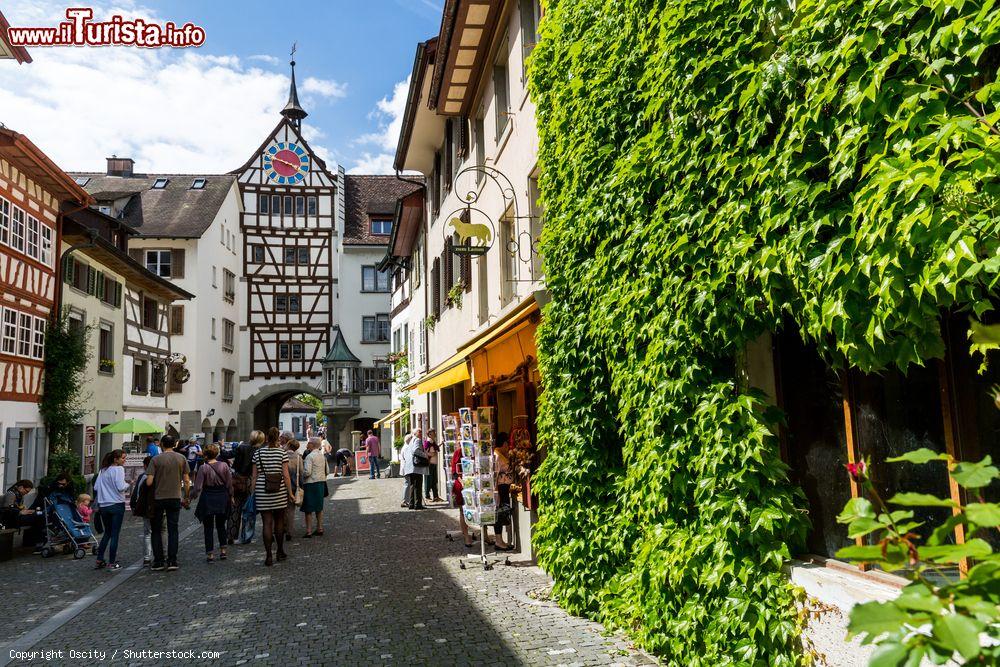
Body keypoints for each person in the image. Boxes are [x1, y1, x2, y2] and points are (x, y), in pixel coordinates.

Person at [145, 434, 190, 571]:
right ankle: (172, 560)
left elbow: (149, 482)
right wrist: (186, 496)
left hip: (159, 498)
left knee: (156, 530)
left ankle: (158, 561)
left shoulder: (156, 459)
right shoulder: (181, 458)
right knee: (173, 529)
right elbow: (187, 481)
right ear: (174, 444)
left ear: (162, 445)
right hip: (175, 497)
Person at [251, 427, 294, 566]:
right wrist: (290, 493)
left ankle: (268, 556)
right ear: (277, 438)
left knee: (266, 523)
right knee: (280, 521)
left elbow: (254, 476)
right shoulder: (282, 453)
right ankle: (280, 551)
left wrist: (252, 492)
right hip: (279, 489)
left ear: (267, 438)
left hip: (262, 489)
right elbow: (286, 475)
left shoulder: (258, 453)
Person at [191, 443, 233, 562]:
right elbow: (229, 484)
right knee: (221, 525)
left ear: (205, 455)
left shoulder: (203, 468)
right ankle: (223, 550)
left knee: (208, 527)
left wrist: (191, 497)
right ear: (217, 453)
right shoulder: (224, 465)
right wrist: (231, 495)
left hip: (208, 497)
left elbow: (198, 487)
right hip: (221, 496)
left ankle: (210, 554)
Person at [93, 449, 130, 570]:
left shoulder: (103, 470)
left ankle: (99, 558)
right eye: (123, 458)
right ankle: (112, 562)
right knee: (115, 534)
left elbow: (96, 487)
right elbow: (120, 487)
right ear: (116, 459)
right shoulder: (119, 469)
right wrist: (129, 484)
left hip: (104, 505)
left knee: (107, 533)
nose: (125, 460)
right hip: (116, 504)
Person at [229, 433, 261, 544]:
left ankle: (231, 535)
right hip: (250, 480)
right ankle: (245, 536)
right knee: (248, 510)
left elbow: (235, 464)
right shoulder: (259, 451)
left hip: (238, 479)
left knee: (235, 508)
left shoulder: (241, 447)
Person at [300, 437, 328, 537]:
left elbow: (307, 472)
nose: (307, 445)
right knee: (319, 508)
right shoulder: (322, 456)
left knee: (308, 509)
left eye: (308, 443)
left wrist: (300, 473)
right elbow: (327, 470)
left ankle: (309, 531)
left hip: (310, 484)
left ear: (312, 444)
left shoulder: (309, 457)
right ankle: (320, 528)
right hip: (321, 483)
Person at [130, 456, 153, 566]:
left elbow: (136, 493)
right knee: (160, 531)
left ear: (144, 466)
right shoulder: (159, 476)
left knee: (147, 533)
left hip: (145, 508)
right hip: (157, 506)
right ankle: (161, 555)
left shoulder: (142, 476)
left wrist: (133, 505)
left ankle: (147, 557)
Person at [492, 433, 513, 550]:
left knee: (502, 513)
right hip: (500, 488)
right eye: (507, 444)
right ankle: (498, 541)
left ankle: (500, 540)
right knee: (499, 514)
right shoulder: (497, 456)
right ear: (504, 443)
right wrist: (497, 493)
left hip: (504, 487)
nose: (508, 447)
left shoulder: (500, 454)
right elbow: (495, 476)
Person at [282, 432, 304, 541]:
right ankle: (289, 532)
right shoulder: (299, 457)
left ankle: (279, 529)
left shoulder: (282, 455)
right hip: (294, 486)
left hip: (281, 486)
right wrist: (302, 486)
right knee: (290, 510)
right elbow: (301, 473)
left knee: (280, 509)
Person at [450, 446, 473, 547]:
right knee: (463, 510)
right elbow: (454, 472)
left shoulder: (475, 449)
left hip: (475, 483)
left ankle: (485, 535)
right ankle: (466, 536)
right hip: (462, 484)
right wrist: (462, 481)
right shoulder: (458, 452)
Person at [401, 430, 427, 510]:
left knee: (412, 485)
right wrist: (425, 455)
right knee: (418, 485)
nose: (421, 433)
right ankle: (418, 504)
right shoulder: (417, 440)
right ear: (415, 433)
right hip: (416, 467)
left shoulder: (411, 440)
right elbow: (415, 450)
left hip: (410, 467)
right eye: (420, 432)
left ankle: (412, 504)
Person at [424, 429, 443, 502]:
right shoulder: (428, 442)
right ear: (429, 434)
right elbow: (425, 452)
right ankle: (427, 496)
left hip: (434, 463)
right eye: (433, 433)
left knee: (434, 480)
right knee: (429, 480)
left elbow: (435, 448)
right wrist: (432, 454)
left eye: (435, 432)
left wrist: (441, 444)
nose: (435, 434)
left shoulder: (432, 442)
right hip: (430, 464)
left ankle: (436, 496)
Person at [399, 432, 414, 508]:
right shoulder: (407, 447)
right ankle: (404, 501)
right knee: (407, 484)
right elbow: (408, 459)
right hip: (406, 468)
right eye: (411, 439)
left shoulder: (405, 446)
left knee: (407, 484)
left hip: (405, 468)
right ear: (409, 440)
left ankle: (405, 500)